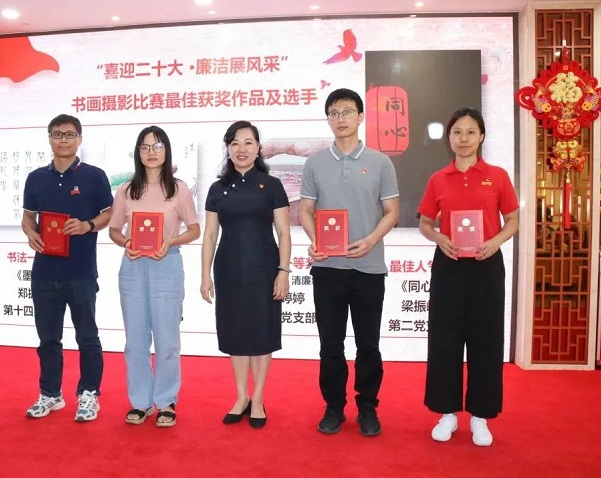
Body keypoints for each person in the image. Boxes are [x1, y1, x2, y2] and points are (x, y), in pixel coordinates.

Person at [299, 88, 399, 437]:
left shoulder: (381, 162)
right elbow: (306, 210)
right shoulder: (315, 163)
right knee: (330, 345)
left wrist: (371, 240)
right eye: (334, 112)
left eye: (347, 111)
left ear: (360, 116)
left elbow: (392, 211)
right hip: (328, 269)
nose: (340, 118)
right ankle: (334, 407)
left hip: (368, 267)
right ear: (328, 118)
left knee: (368, 344)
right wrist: (316, 240)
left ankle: (368, 407)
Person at [417, 107, 519, 446]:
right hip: (449, 265)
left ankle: (480, 416)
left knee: (485, 340)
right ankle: (446, 413)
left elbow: (513, 220)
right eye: (457, 132)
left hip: (486, 265)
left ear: (481, 136)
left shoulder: (497, 176)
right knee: (444, 339)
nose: (464, 138)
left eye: (471, 132)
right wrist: (438, 238)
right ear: (449, 138)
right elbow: (425, 223)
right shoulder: (438, 179)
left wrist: (496, 241)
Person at [22, 114, 113, 421]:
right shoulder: (36, 178)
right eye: (57, 134)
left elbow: (109, 213)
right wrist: (31, 233)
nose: (63, 140)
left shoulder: (94, 176)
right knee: (48, 338)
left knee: (87, 336)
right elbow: (27, 217)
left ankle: (89, 395)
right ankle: (51, 394)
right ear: (49, 138)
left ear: (79, 138)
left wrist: (88, 225)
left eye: (69, 134)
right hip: (44, 272)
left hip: (81, 271)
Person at [200, 120, 291, 429]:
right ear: (228, 148)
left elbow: (284, 233)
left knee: (262, 334)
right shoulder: (217, 188)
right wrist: (205, 274)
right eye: (235, 143)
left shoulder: (272, 185)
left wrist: (283, 271)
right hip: (228, 269)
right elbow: (210, 235)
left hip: (265, 269)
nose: (242, 149)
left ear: (258, 148)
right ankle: (241, 397)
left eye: (248, 142)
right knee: (235, 333)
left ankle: (259, 398)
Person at [108, 126, 200, 427]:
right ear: (138, 152)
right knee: (135, 340)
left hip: (166, 266)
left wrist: (171, 242)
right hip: (134, 267)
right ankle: (140, 402)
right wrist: (126, 243)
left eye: (157, 146)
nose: (151, 152)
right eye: (145, 147)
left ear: (166, 151)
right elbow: (114, 229)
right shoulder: (126, 190)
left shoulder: (179, 189)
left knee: (167, 339)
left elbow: (194, 229)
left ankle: (166, 400)